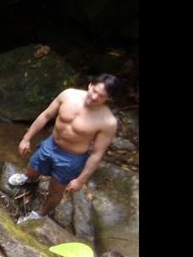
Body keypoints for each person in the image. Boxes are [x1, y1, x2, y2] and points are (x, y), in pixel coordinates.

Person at [10, 74, 124, 223]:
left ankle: (40, 214)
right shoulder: (68, 95)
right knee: (33, 167)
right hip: (51, 144)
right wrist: (26, 138)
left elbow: (97, 154)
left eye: (101, 96)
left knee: (55, 191)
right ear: (90, 85)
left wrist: (81, 180)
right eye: (94, 90)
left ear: (109, 98)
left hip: (71, 158)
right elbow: (46, 115)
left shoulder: (107, 122)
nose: (94, 97)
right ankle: (29, 180)